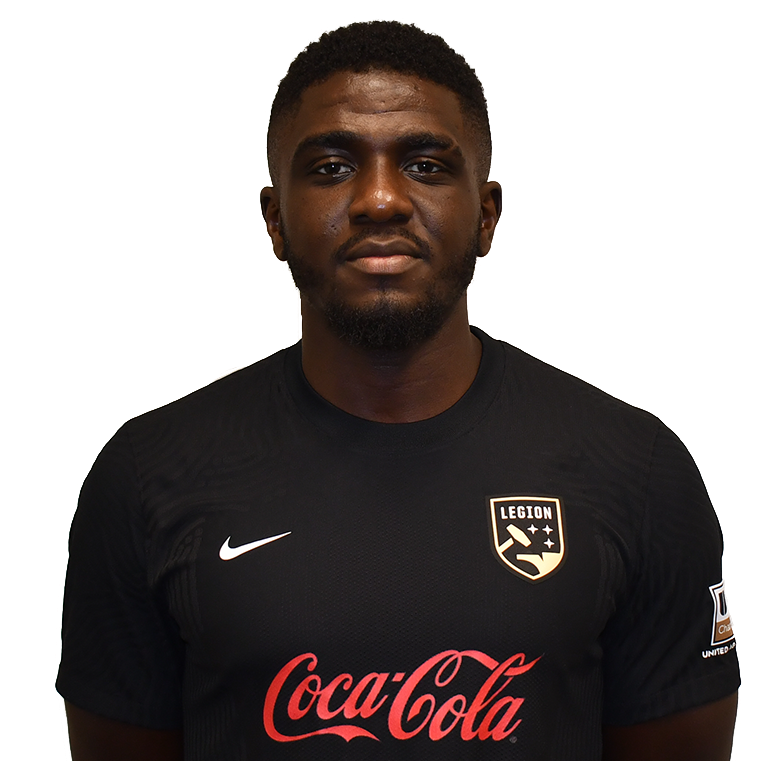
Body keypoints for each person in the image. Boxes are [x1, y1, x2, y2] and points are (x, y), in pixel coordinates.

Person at [54, 19, 741, 760]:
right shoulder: (146, 475)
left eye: (424, 165)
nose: (380, 200)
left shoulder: (637, 470)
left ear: (486, 216)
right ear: (274, 221)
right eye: (330, 167)